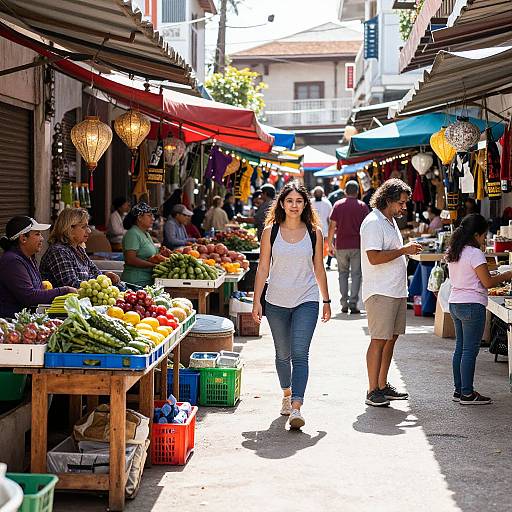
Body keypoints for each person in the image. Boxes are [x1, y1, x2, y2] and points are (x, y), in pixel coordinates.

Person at [252, 181, 331, 430]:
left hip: (306, 300)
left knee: (300, 353)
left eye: (299, 201)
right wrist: (256, 300)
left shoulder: (314, 232)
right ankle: (287, 394)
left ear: (305, 204)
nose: (294, 205)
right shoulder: (270, 232)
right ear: (282, 204)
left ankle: (297, 407)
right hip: (275, 301)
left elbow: (319, 267)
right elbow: (263, 267)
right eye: (289, 201)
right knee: (282, 355)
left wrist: (326, 300)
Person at [360, 179, 422, 407]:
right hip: (380, 291)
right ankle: (372, 389)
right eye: (401, 203)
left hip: (395, 290)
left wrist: (403, 250)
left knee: (391, 339)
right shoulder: (373, 222)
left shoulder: (389, 221)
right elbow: (374, 257)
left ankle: (383, 385)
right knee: (378, 340)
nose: (404, 208)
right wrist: (404, 250)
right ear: (388, 200)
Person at [446, 214, 512, 404]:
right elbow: (488, 282)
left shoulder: (454, 250)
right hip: (471, 305)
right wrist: (507, 273)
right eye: (484, 236)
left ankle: (459, 390)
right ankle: (467, 393)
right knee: (469, 350)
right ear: (476, 234)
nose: (484, 240)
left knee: (460, 348)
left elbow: (474, 276)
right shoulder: (474, 253)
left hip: (456, 303)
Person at [0, 216, 76, 317]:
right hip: (12, 321)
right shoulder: (12, 261)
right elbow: (29, 297)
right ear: (23, 238)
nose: (42, 238)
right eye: (37, 234)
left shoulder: (28, 258)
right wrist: (64, 290)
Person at [41, 208, 120, 289]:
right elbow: (71, 284)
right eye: (83, 227)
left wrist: (106, 276)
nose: (89, 231)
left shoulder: (79, 249)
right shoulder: (59, 251)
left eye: (88, 226)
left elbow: (96, 273)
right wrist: (100, 283)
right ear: (69, 229)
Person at [328, 180, 369, 314]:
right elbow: (367, 227)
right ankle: (353, 303)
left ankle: (344, 303)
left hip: (341, 245)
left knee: (343, 274)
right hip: (357, 245)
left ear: (345, 191)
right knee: (356, 274)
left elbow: (332, 226)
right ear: (357, 192)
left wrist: (329, 243)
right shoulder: (362, 206)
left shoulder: (338, 205)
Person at [121, 202, 159, 287]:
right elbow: (130, 259)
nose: (153, 219)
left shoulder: (146, 234)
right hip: (136, 282)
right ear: (139, 218)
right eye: (149, 216)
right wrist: (153, 265)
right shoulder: (132, 234)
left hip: (147, 281)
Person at [311, 186, 332, 261]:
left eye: (319, 193)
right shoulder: (310, 202)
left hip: (324, 230)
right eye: (317, 193)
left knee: (323, 249)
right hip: (313, 230)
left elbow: (329, 218)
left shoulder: (327, 203)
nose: (318, 194)